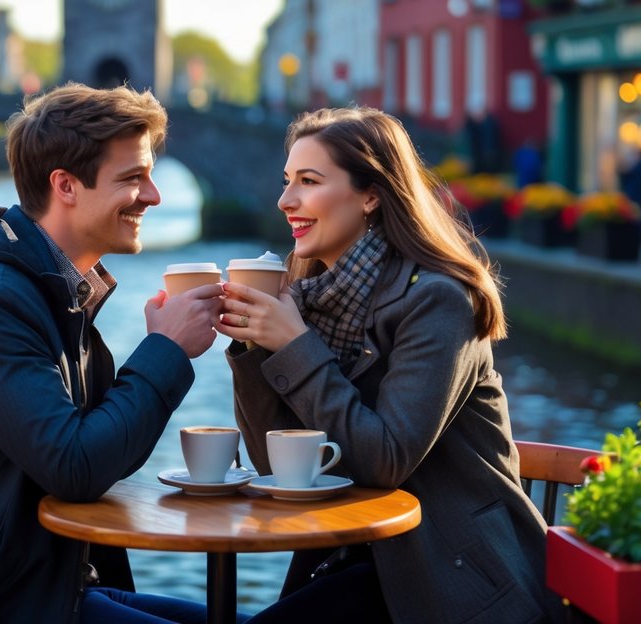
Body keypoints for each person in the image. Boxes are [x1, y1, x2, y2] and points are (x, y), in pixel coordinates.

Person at [0, 83, 225, 624]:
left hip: (55, 583)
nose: (154, 196)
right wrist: (166, 350)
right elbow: (74, 465)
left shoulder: (56, 290)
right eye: (133, 178)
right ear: (66, 186)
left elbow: (92, 452)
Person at [217, 107, 555, 624]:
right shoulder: (309, 299)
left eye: (308, 181)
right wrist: (253, 347)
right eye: (286, 181)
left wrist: (293, 345)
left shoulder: (439, 302)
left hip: (450, 579)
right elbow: (274, 466)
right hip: (351, 558)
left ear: (371, 194)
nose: (285, 200)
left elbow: (385, 461)